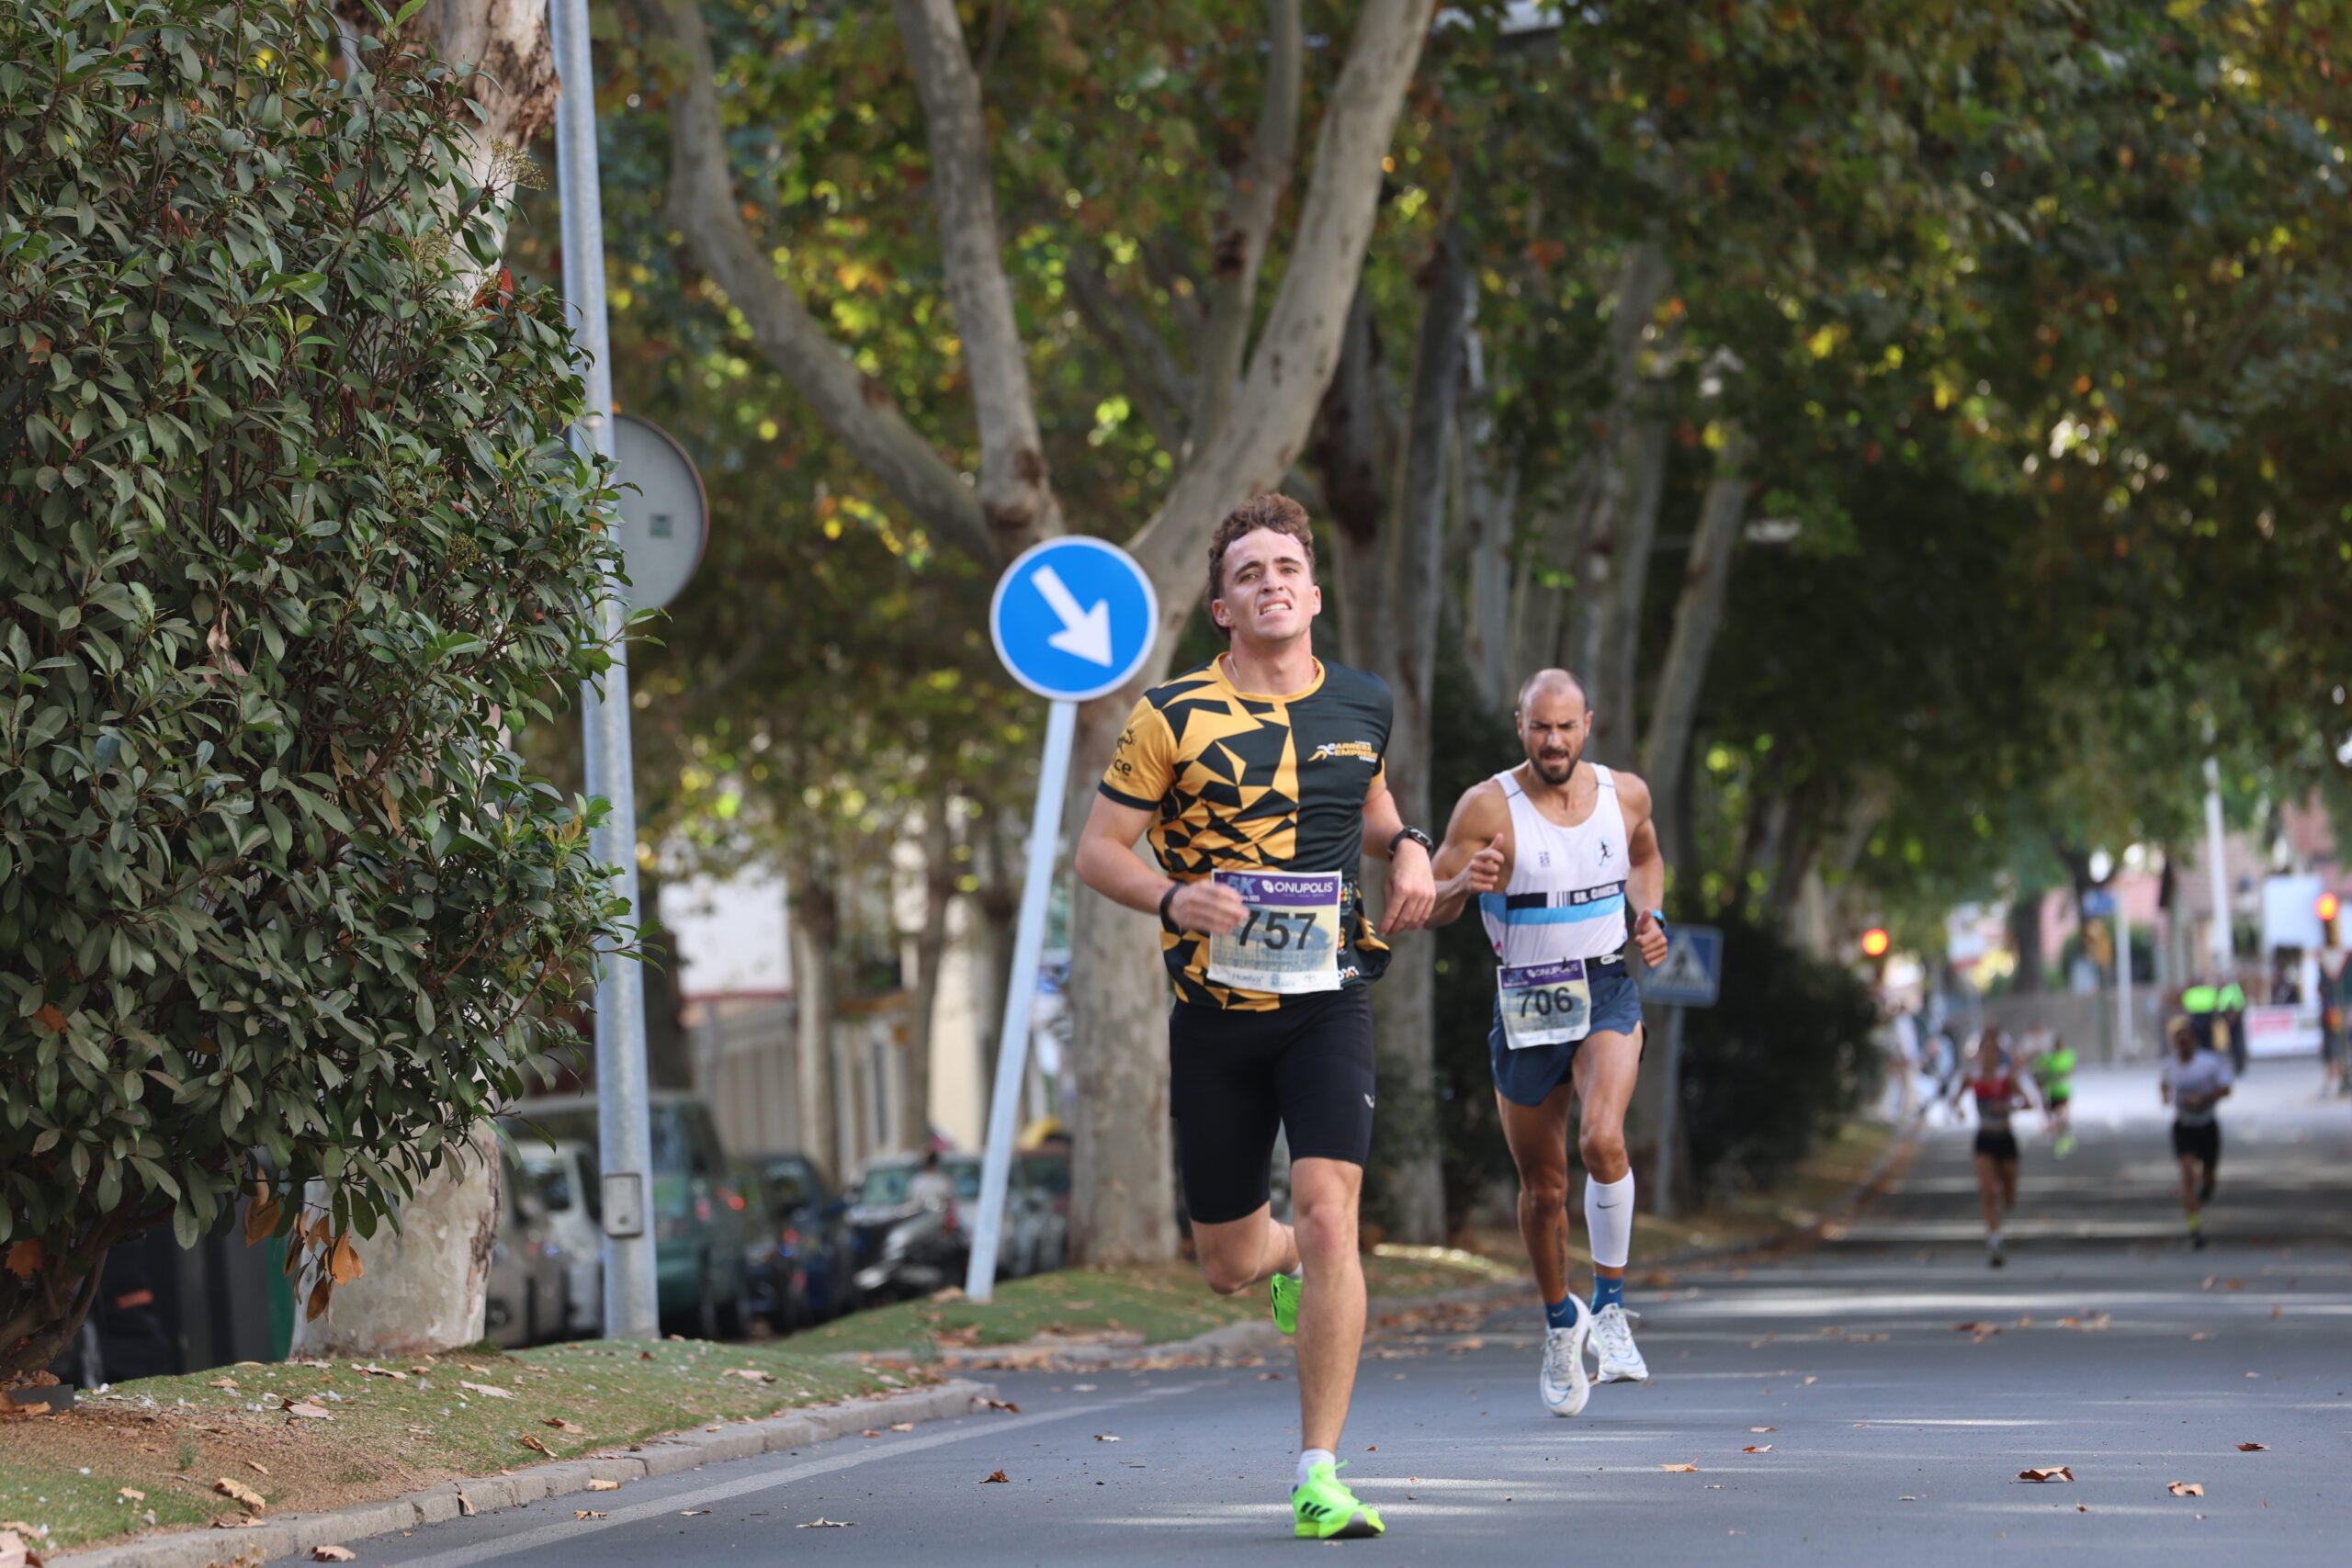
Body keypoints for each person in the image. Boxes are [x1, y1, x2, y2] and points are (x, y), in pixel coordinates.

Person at [1073, 493, 1434, 1542]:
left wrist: (1412, 847)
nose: (1270, 583)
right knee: (1229, 1261)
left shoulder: (1362, 703)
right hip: (1215, 1014)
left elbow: (1371, 808)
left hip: (1327, 1003)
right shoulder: (1170, 716)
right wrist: (1170, 897)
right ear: (1223, 609)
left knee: (1331, 1213)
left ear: (1313, 594)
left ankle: (1319, 1473)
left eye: (1286, 568)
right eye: (1248, 574)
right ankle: (1279, 1262)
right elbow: (1097, 852)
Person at [1426, 669, 1670, 1416]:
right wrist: (1465, 882)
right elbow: (1428, 903)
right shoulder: (1486, 805)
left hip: (1604, 985)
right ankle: (1563, 1321)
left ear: (1587, 724)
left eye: (1565, 726)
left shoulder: (1626, 794)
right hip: (1527, 996)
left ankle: (1612, 1307)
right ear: (1521, 726)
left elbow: (1646, 857)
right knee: (1544, 1189)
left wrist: (1650, 915)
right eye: (1540, 727)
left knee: (1602, 1138)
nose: (1554, 741)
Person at [1951, 1030, 2035, 1267]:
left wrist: (2008, 1107)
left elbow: (2028, 1103)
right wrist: (1958, 1110)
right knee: (1988, 1193)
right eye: (1984, 1050)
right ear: (1979, 1053)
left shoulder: (2006, 1077)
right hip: (1984, 1138)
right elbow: (1954, 1100)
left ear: (1998, 1053)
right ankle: (1995, 1240)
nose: (1988, 1054)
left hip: (2005, 1137)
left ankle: (2004, 1206)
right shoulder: (1972, 1077)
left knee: (2008, 1195)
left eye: (1992, 1050)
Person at [2160, 1014, 2233, 1250]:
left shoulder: (2208, 1062)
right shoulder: (2170, 1065)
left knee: (2208, 1176)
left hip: (2207, 1125)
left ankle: (2207, 1190)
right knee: (2187, 1173)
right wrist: (2166, 1096)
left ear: (2194, 1040)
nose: (2183, 1044)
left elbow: (2226, 1089)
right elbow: (2164, 1084)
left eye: (2187, 1039)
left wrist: (2204, 1097)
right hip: (2184, 1126)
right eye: (2179, 1041)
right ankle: (2195, 1229)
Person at [2027, 1031, 2078, 1158]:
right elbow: (2037, 1067)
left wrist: (2058, 1074)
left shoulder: (2068, 1055)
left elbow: (2070, 1070)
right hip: (2051, 1092)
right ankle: (2060, 1138)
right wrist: (2040, 1077)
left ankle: (2064, 1139)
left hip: (2064, 1091)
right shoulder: (2048, 1057)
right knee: (2053, 1117)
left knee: (2063, 1115)